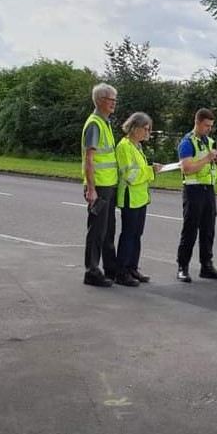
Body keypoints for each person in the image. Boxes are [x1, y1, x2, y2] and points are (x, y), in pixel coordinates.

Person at [176, 108, 217, 282]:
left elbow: (214, 165)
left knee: (208, 230)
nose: (209, 129)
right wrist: (207, 158)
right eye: (206, 125)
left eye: (211, 126)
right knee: (190, 230)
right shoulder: (187, 142)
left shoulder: (210, 141)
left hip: (208, 190)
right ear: (197, 122)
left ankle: (207, 265)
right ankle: (182, 267)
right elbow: (187, 169)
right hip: (193, 190)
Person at [114, 112, 162, 286]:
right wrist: (151, 171)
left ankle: (132, 267)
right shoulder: (124, 146)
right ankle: (122, 272)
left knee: (137, 234)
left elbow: (139, 172)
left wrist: (150, 169)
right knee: (128, 234)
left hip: (140, 197)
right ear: (135, 128)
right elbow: (130, 176)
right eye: (145, 129)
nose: (147, 133)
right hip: (130, 197)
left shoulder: (137, 146)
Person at [81, 83, 120, 287]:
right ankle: (92, 271)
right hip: (100, 187)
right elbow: (90, 159)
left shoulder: (105, 123)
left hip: (108, 184)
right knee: (97, 231)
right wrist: (91, 188)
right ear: (99, 100)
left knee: (107, 231)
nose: (114, 102)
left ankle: (109, 270)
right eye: (110, 99)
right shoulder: (95, 124)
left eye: (114, 99)